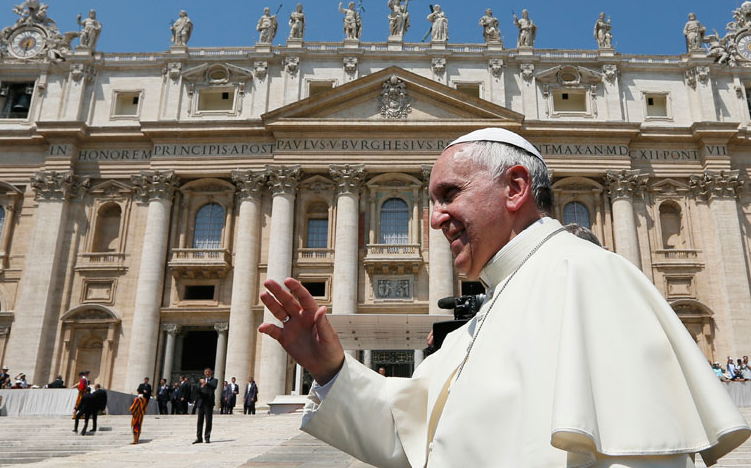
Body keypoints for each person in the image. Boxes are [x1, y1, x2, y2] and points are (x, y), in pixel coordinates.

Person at [258, 127, 750, 467]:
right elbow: (412, 439)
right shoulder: (488, 312)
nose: (434, 218)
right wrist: (330, 369)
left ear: (515, 188)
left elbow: (636, 455)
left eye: (450, 194)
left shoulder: (588, 277)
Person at [193, 367, 218, 444]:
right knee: (199, 421)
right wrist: (201, 386)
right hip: (201, 402)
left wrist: (206, 383)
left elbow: (214, 386)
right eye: (206, 372)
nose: (207, 373)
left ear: (211, 372)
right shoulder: (201, 381)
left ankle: (207, 437)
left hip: (209, 403)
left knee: (208, 421)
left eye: (208, 372)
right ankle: (199, 438)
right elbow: (197, 390)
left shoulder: (214, 380)